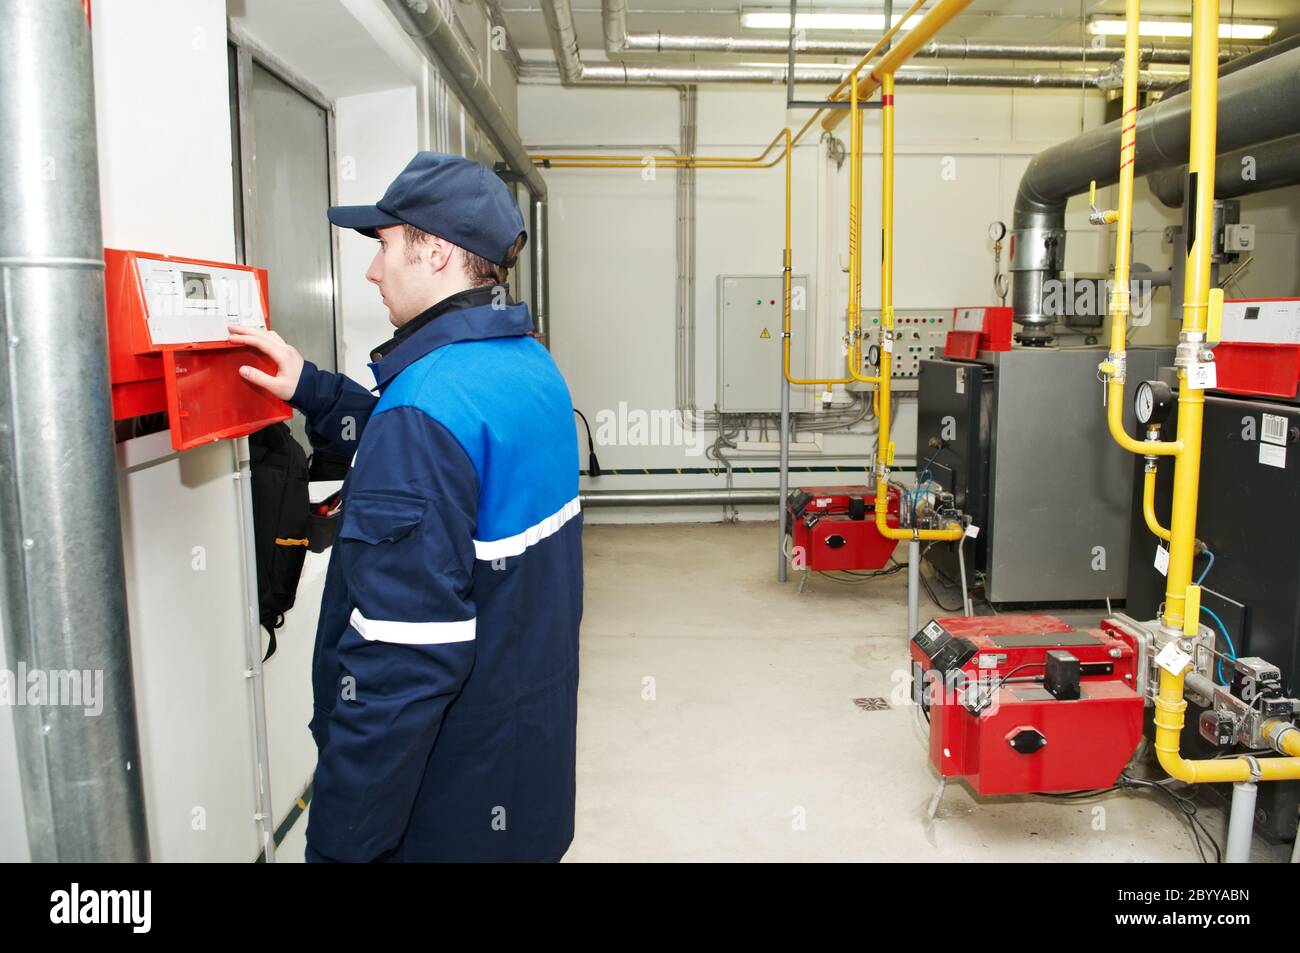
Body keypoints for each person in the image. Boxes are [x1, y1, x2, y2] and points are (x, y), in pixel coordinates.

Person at [229, 152, 583, 862]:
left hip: (441, 807)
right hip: (522, 779)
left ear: (440, 251)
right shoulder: (528, 366)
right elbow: (426, 440)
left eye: (385, 245)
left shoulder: (424, 410)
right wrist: (311, 386)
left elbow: (400, 671)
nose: (371, 269)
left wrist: (338, 844)